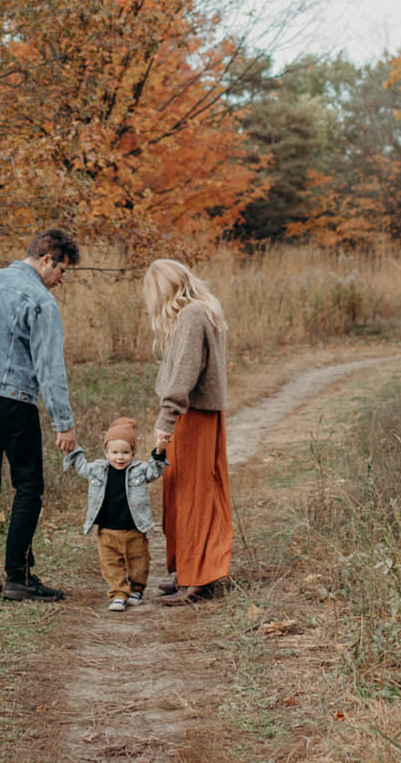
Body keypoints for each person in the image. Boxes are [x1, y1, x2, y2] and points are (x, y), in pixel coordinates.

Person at [0, 228, 80, 602]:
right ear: (46, 259)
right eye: (63, 270)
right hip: (13, 399)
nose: (62, 279)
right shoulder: (40, 301)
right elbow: (49, 367)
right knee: (28, 485)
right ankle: (19, 576)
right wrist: (64, 423)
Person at [146, 258, 232, 605]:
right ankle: (189, 570)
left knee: (194, 495)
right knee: (186, 492)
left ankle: (197, 577)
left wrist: (166, 421)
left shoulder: (192, 315)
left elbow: (185, 372)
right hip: (197, 414)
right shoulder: (202, 311)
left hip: (192, 416)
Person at [61, 416, 170, 612]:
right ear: (106, 452)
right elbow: (81, 466)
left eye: (125, 453)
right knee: (110, 564)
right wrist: (72, 447)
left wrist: (160, 451)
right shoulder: (97, 470)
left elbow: (155, 471)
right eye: (114, 453)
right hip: (107, 530)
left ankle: (137, 588)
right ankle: (119, 593)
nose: (120, 458)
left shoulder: (139, 470)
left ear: (133, 453)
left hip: (135, 529)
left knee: (139, 563)